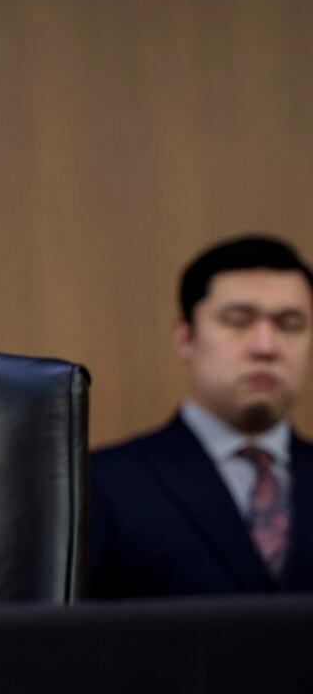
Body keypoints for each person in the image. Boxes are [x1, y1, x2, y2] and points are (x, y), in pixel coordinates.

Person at [90, 235, 313, 597]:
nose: (266, 346)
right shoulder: (101, 485)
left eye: (290, 324)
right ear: (185, 338)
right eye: (238, 321)